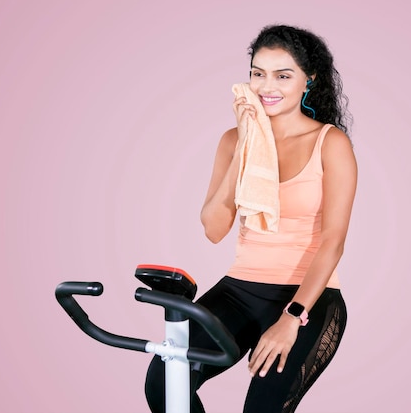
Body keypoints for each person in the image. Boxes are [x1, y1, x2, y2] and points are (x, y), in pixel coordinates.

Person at [145, 24, 357, 413]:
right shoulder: (232, 140)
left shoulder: (331, 143)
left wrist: (292, 317)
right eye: (258, 73)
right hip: (241, 290)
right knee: (164, 384)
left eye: (282, 75)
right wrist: (246, 143)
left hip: (310, 297)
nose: (266, 86)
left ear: (309, 80)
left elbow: (334, 241)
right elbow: (213, 229)